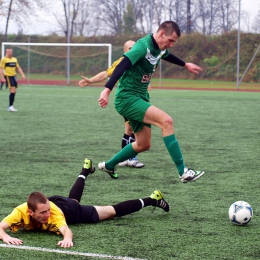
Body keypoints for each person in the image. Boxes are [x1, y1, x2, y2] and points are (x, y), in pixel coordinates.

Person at [97, 21, 205, 182]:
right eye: (170, 40)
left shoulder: (160, 48)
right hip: (127, 98)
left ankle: (109, 165)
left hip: (139, 97)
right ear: (161, 33)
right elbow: (122, 65)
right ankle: (183, 171)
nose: (172, 45)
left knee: (143, 144)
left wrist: (185, 65)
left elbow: (166, 55)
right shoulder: (142, 47)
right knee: (166, 121)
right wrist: (107, 90)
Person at [0, 158, 169, 248]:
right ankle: (85, 170)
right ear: (30, 212)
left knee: (110, 212)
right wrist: (6, 236)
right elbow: (0, 227)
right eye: (43, 213)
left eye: (47, 210)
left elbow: (66, 230)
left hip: (68, 210)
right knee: (72, 199)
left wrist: (67, 240)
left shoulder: (54, 213)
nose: (47, 214)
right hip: (59, 202)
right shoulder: (20, 211)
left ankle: (152, 199)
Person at [79, 40, 145, 168]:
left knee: (129, 130)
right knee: (135, 129)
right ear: (125, 51)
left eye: (135, 47)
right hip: (128, 100)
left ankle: (126, 158)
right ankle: (131, 158)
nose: (133, 50)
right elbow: (106, 73)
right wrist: (91, 81)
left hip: (137, 98)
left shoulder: (140, 59)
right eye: (130, 48)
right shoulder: (122, 61)